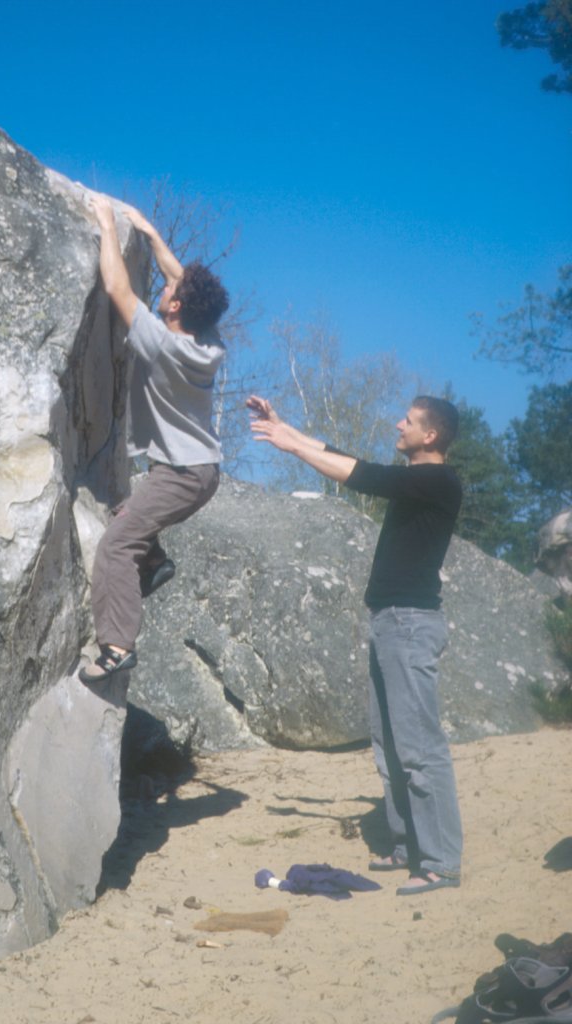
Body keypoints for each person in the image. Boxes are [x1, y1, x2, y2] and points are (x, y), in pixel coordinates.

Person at [247, 394, 463, 895]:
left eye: (408, 420)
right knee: (389, 746)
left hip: (411, 625)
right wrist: (286, 429)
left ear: (430, 435)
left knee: (420, 748)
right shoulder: (416, 480)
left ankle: (442, 862)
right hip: (390, 622)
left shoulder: (437, 481)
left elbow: (360, 474)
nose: (398, 424)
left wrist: (291, 447)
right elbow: (350, 459)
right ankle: (409, 847)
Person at [80, 194, 229, 683]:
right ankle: (156, 561)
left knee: (117, 545)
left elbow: (117, 287)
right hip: (200, 471)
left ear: (176, 306)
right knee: (129, 514)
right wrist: (150, 232)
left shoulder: (162, 344)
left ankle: (117, 646)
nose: (165, 286)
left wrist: (108, 225)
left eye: (169, 290)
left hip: (181, 473)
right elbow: (181, 277)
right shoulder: (208, 343)